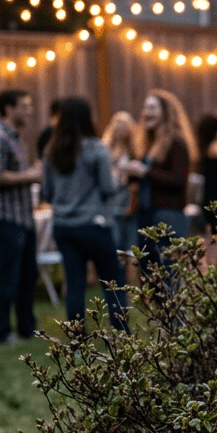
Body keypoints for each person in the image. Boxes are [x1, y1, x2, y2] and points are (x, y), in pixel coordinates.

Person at [41, 98, 129, 331]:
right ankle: (122, 333)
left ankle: (78, 341)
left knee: (75, 282)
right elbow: (108, 188)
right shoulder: (96, 148)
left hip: (64, 227)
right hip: (94, 224)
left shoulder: (51, 150)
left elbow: (46, 192)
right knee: (112, 281)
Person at [0, 89, 41, 345]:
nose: (29, 110)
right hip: (6, 219)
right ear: (9, 108)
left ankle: (27, 328)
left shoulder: (17, 139)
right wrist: (32, 175)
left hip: (24, 218)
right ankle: (2, 332)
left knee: (28, 275)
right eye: (24, 106)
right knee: (8, 275)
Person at [129, 89, 198, 270]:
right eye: (145, 108)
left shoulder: (177, 143)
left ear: (166, 112)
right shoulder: (148, 143)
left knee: (168, 271)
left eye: (152, 108)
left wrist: (145, 171)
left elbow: (178, 179)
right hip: (145, 213)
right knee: (147, 270)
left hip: (168, 215)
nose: (146, 112)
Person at [101, 111, 143, 255]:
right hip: (112, 198)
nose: (121, 128)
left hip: (130, 197)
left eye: (124, 124)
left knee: (131, 243)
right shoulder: (106, 149)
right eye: (118, 124)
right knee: (114, 240)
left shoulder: (135, 150)